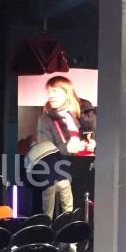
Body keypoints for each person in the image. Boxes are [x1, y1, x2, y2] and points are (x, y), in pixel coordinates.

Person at [35, 75, 95, 218]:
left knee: (85, 209)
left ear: (66, 92)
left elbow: (95, 132)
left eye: (54, 91)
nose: (50, 95)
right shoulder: (45, 118)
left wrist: (94, 142)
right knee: (65, 209)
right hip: (61, 168)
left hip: (87, 168)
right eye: (48, 92)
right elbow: (45, 147)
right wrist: (68, 149)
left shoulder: (84, 109)